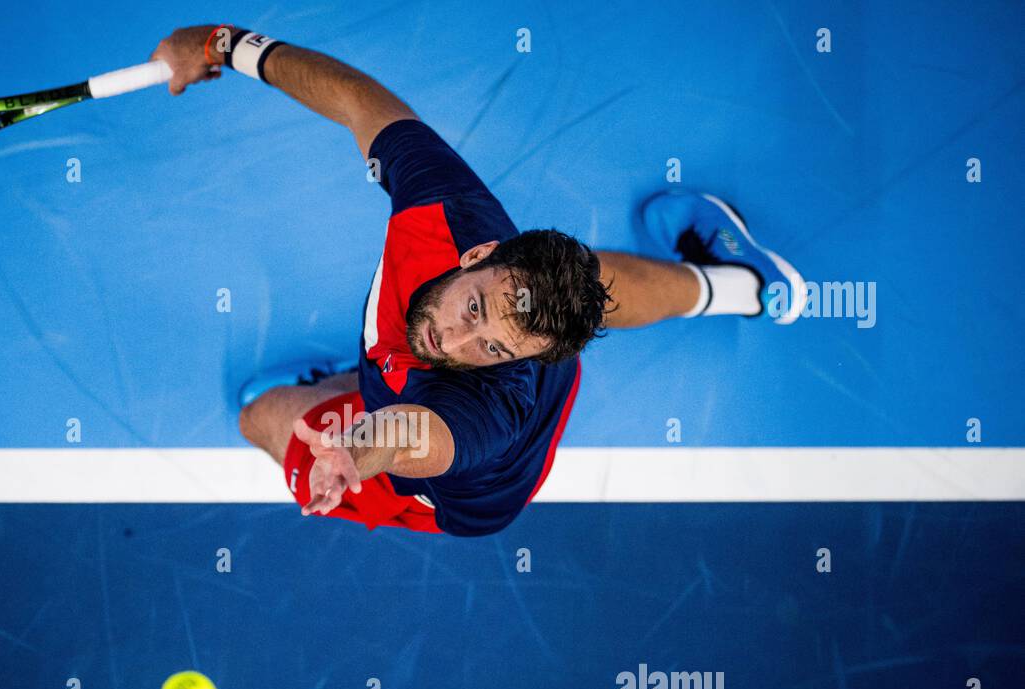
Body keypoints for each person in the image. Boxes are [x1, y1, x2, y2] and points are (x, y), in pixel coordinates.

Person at [151, 25, 806, 536]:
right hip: (503, 358)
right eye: (475, 309)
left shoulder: (484, 408)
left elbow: (415, 433)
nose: (453, 341)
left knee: (260, 417)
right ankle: (747, 285)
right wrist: (223, 44)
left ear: (524, 360)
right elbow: (355, 100)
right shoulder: (444, 208)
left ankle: (343, 385)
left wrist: (356, 453)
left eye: (491, 347)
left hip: (456, 481)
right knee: (583, 286)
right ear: (478, 254)